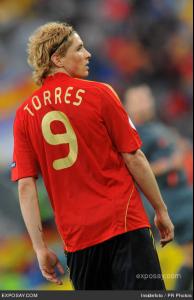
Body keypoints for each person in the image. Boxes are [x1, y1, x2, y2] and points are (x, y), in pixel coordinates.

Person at [11, 22, 174, 290]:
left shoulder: (24, 115)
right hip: (124, 225)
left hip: (79, 242)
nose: (88, 54)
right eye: (79, 48)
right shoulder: (101, 93)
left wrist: (40, 248)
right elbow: (134, 157)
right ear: (57, 58)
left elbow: (26, 186)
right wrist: (160, 209)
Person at [124, 85, 193, 291]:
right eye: (137, 100)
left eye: (146, 98)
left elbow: (179, 149)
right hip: (170, 202)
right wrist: (168, 164)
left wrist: (180, 149)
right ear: (127, 107)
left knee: (191, 257)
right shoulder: (132, 135)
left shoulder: (158, 128)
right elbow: (135, 170)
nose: (144, 103)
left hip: (184, 195)